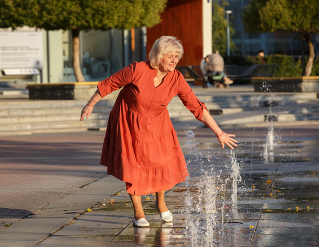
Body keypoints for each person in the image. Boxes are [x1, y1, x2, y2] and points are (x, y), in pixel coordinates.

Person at [80, 36, 238, 227]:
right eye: (170, 56)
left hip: (158, 123)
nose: (174, 60)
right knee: (133, 165)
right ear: (158, 56)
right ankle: (138, 212)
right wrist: (90, 105)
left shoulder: (176, 78)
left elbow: (197, 107)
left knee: (161, 161)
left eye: (177, 56)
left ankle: (160, 202)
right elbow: (110, 83)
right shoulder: (137, 69)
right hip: (129, 122)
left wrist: (219, 132)